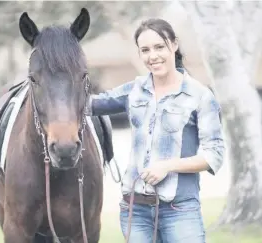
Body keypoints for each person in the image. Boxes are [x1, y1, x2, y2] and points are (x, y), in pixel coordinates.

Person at [86, 18, 225, 243]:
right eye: (145, 50)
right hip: (135, 211)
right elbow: (88, 105)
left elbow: (214, 156)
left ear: (174, 45)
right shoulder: (134, 90)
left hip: (180, 211)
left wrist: (167, 165)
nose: (153, 56)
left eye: (159, 47)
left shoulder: (200, 96)